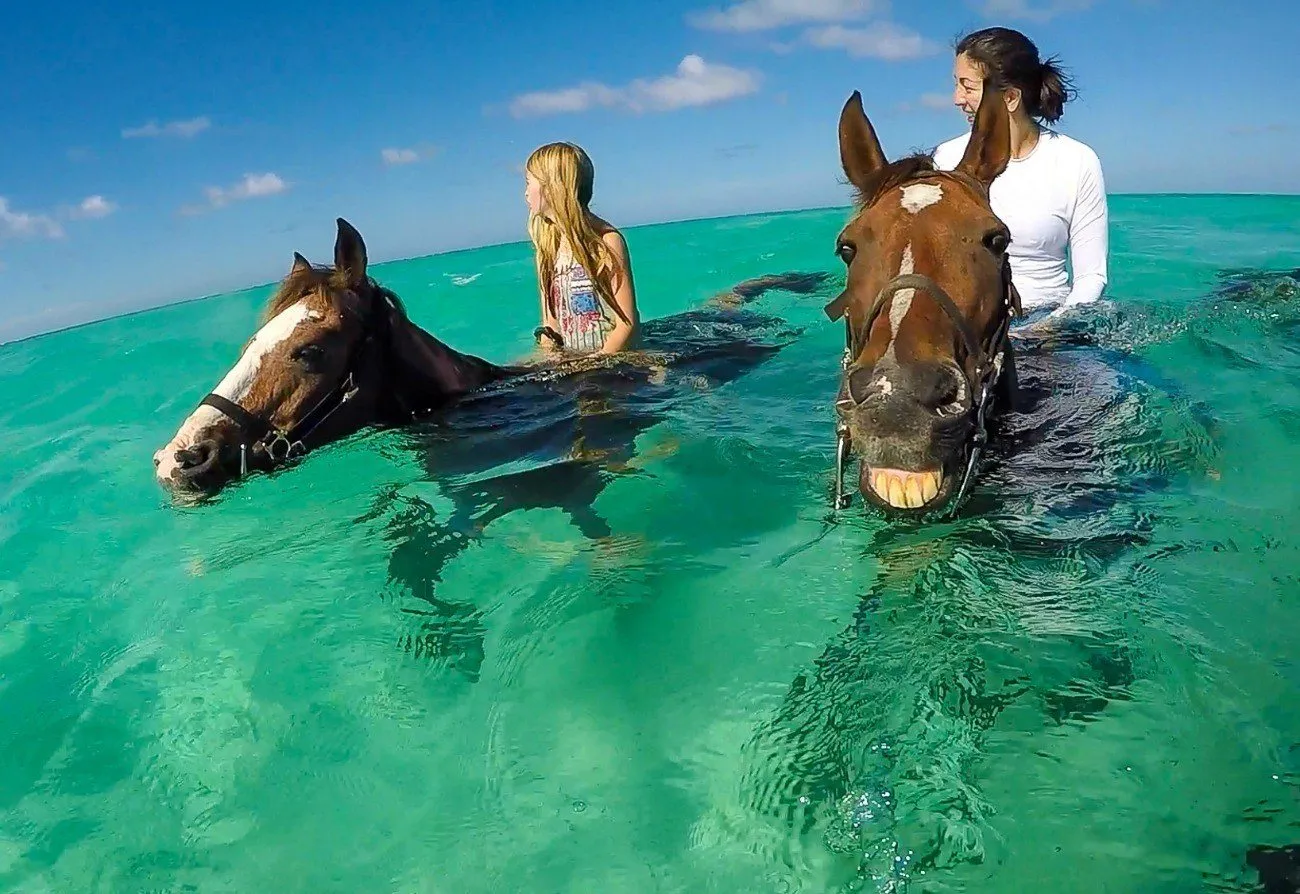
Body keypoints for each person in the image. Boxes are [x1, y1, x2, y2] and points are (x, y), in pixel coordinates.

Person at [932, 27, 1109, 329]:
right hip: (971, 327)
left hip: (1051, 322)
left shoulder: (1077, 161)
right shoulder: (947, 159)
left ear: (1011, 97)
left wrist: (1049, 329)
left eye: (968, 87)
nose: (956, 99)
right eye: (956, 85)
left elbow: (1091, 277)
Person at [523, 141, 640, 356]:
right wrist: (551, 359)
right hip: (575, 362)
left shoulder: (606, 242)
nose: (525, 193)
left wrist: (594, 365)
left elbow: (627, 324)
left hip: (612, 365)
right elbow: (551, 324)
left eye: (529, 182)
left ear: (552, 187)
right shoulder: (547, 250)